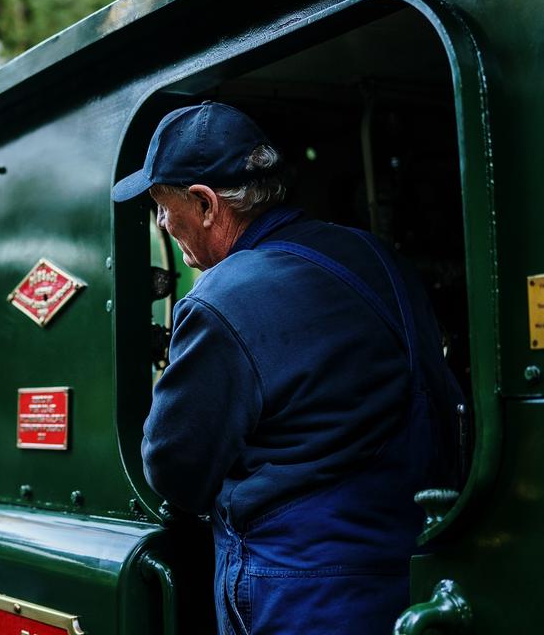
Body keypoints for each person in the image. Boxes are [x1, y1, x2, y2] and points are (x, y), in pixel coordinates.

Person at [111, 101, 464, 635]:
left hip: (298, 591)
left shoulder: (219, 301)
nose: (163, 223)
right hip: (413, 576)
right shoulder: (377, 257)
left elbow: (174, 470)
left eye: (164, 207)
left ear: (206, 205)